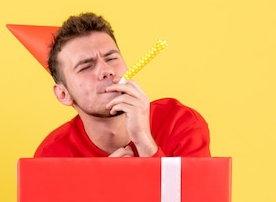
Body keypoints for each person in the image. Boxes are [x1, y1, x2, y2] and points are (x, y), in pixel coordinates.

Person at [34, 12, 211, 157]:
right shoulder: (52, 155)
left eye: (111, 58)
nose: (106, 70)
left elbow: (196, 200)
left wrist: (144, 142)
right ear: (63, 94)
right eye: (86, 67)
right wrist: (107, 183)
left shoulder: (179, 123)